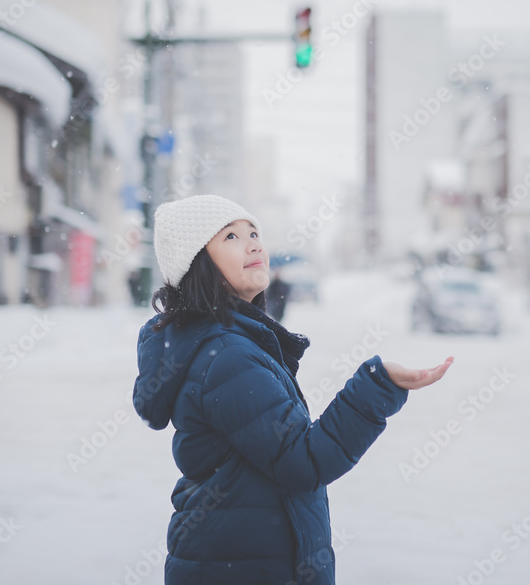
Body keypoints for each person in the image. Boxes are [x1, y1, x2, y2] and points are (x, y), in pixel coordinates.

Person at [133, 194, 453, 585]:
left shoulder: (222, 344)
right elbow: (303, 462)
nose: (254, 244)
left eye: (253, 232)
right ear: (199, 264)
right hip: (241, 566)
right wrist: (376, 385)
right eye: (230, 237)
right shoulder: (227, 358)